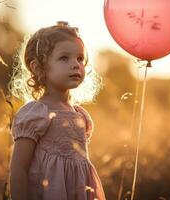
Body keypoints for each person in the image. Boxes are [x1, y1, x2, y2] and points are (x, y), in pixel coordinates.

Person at [8, 21, 105, 200]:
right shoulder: (36, 114)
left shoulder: (80, 114)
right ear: (38, 68)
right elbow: (18, 168)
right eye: (64, 58)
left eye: (80, 58)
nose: (76, 64)